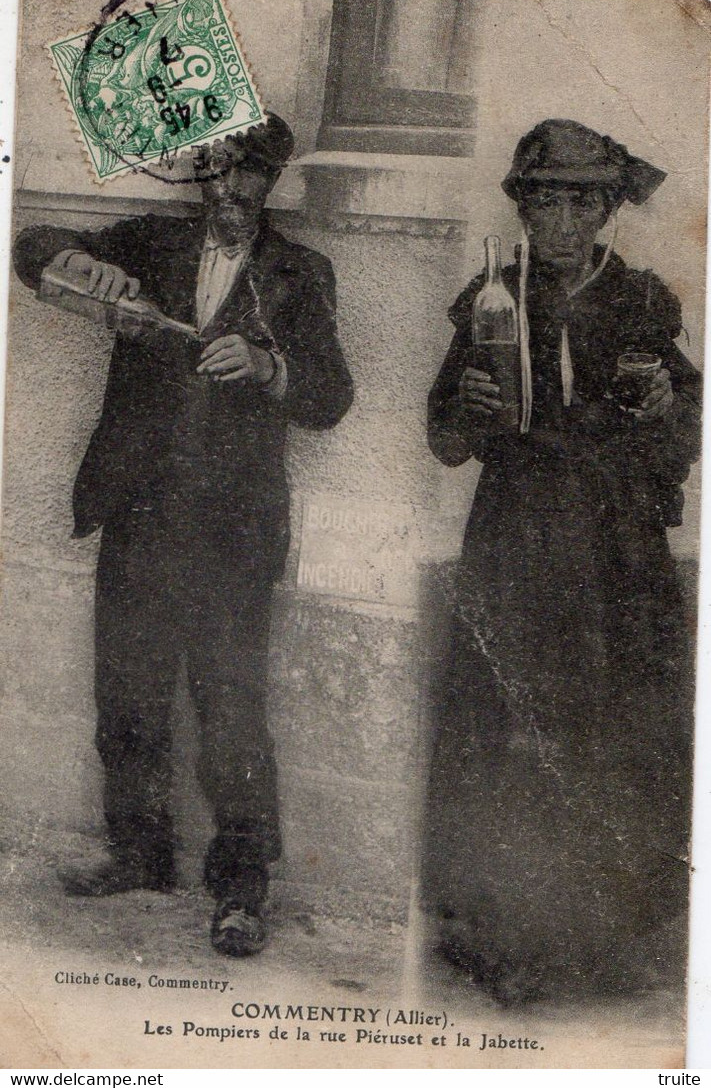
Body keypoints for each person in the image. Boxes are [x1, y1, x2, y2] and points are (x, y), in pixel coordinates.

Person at [13, 113, 353, 958]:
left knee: (231, 708)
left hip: (233, 530)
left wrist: (270, 367)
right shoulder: (147, 246)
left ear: (271, 182)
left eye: (249, 178)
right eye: (216, 175)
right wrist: (70, 261)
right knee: (127, 692)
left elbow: (332, 397)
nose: (231, 193)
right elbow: (31, 245)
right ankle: (139, 852)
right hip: (141, 509)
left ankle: (240, 887)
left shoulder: (299, 272)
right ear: (197, 177)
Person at [425, 120, 701, 1003]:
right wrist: (468, 406)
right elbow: (441, 434)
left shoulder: (645, 300)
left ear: (607, 209)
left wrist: (664, 403)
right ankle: (504, 932)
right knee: (509, 722)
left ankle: (603, 935)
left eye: (582, 200)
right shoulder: (491, 295)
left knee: (608, 724)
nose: (563, 218)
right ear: (522, 204)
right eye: (545, 198)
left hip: (614, 547)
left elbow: (685, 426)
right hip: (513, 534)